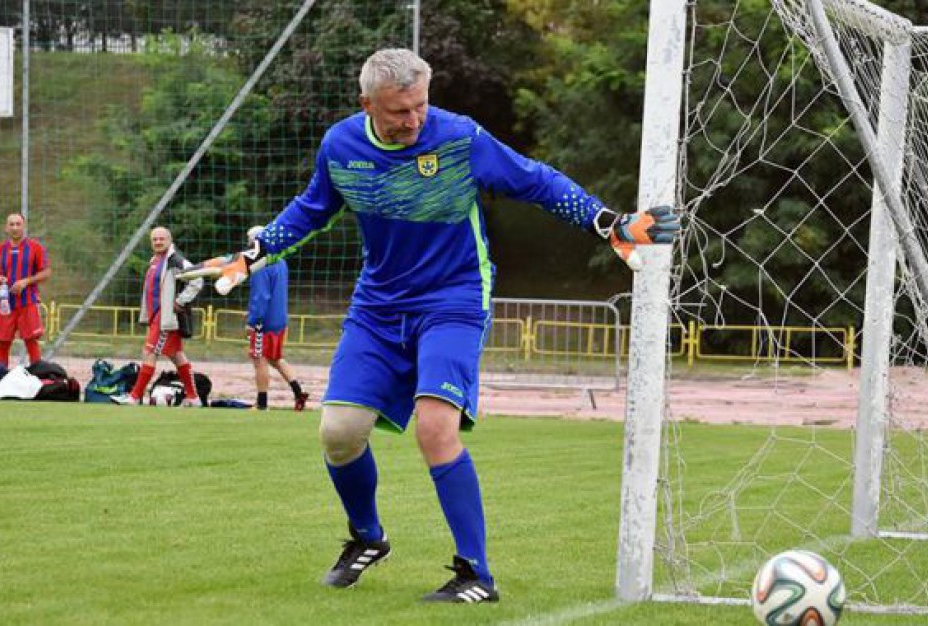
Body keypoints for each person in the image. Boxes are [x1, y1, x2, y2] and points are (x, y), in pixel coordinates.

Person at [178, 48, 677, 602]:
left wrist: (604, 222)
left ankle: (476, 574)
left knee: (434, 428)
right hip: (378, 306)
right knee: (338, 434)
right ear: (366, 103)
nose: (413, 120)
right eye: (398, 112)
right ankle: (367, 538)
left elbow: (533, 180)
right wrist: (254, 252)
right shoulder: (341, 146)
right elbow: (312, 209)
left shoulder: (460, 138)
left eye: (419, 106)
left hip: (454, 299)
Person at [112, 227, 204, 407]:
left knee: (149, 352)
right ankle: (193, 398)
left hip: (166, 317)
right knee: (176, 355)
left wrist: (181, 301)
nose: (158, 242)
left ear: (169, 240)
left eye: (162, 239)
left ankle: (134, 396)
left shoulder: (176, 260)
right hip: (156, 316)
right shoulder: (155, 261)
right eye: (155, 239)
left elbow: (197, 279)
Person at [244, 225, 310, 412]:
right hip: (279, 319)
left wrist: (253, 320)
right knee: (276, 358)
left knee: (259, 359)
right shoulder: (280, 261)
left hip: (263, 322)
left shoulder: (260, 263)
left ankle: (262, 403)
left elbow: (261, 295)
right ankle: (299, 392)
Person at [0, 213, 52, 367]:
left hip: (28, 301)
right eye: (11, 224)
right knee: (3, 342)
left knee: (31, 341)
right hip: (6, 303)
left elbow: (46, 272)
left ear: (23, 227)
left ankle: (38, 377)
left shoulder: (35, 248)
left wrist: (26, 281)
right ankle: (0, 377)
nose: (15, 228)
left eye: (18, 224)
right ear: (6, 228)